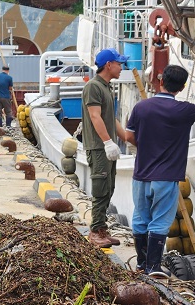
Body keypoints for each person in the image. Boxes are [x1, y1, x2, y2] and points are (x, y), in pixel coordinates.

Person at [125, 65, 195, 274]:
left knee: (140, 217)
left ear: (161, 81)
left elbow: (129, 137)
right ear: (182, 88)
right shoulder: (187, 111)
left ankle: (141, 264)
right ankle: (153, 266)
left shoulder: (141, 107)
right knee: (161, 220)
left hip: (141, 174)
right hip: (166, 177)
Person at [81, 47, 129, 248]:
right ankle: (95, 232)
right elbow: (95, 116)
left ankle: (102, 229)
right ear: (108, 65)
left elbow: (112, 118)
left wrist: (126, 137)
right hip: (99, 147)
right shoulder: (94, 87)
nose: (121, 67)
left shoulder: (107, 87)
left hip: (107, 147)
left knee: (109, 188)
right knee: (100, 189)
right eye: (119, 64)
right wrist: (108, 142)